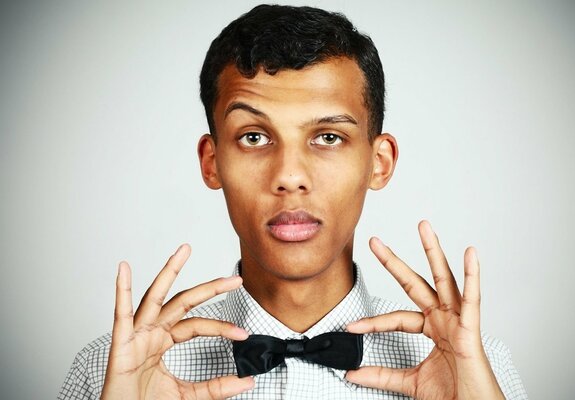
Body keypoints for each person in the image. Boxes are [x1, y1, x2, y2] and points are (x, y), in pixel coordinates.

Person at [58, 4, 527, 399]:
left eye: (327, 136)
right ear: (212, 161)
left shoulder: (476, 368)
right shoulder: (108, 369)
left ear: (378, 162)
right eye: (255, 136)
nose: (288, 176)